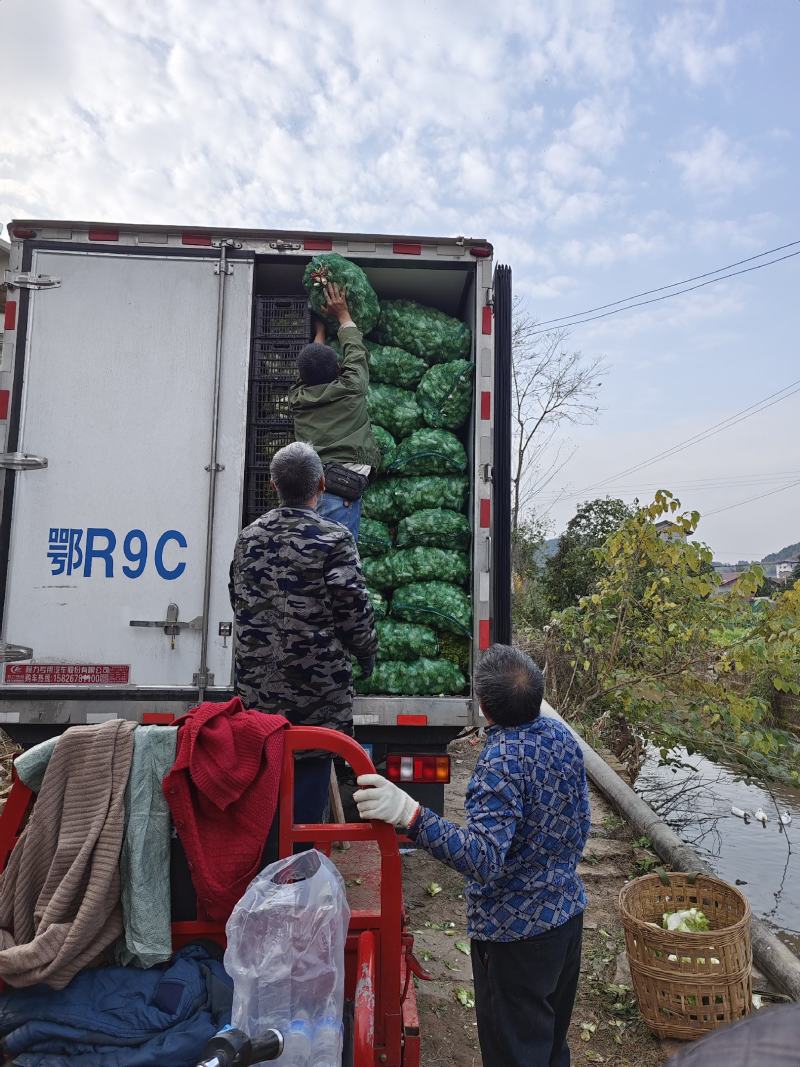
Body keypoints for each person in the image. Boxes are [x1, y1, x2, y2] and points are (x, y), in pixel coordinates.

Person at [354, 644, 590, 1067]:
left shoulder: (500, 762)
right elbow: (581, 819)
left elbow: (483, 859)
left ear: (482, 707)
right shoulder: (561, 737)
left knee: (515, 1053)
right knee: (551, 1045)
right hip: (566, 918)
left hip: (516, 937)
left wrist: (410, 815)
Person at [229, 440, 377, 825]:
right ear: (323, 485)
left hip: (258, 693)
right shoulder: (334, 539)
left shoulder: (248, 538)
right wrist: (366, 655)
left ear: (273, 486)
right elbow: (353, 610)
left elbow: (238, 598)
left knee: (265, 788)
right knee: (308, 792)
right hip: (317, 695)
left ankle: (268, 867)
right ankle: (301, 868)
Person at [289, 282, 380, 540]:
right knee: (336, 566)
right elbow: (356, 353)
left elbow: (308, 370)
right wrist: (342, 315)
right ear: (338, 371)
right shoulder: (351, 388)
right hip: (340, 495)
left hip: (311, 491)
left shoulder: (297, 398)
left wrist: (319, 332)